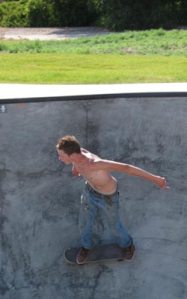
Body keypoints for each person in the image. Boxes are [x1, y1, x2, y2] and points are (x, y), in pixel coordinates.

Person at [56, 135, 169, 264]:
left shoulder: (94, 163)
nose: (59, 158)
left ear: (71, 155)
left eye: (61, 155)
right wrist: (75, 169)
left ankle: (128, 246)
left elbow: (127, 168)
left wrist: (156, 179)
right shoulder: (75, 155)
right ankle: (86, 247)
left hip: (108, 197)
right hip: (89, 192)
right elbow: (76, 162)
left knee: (114, 225)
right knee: (84, 222)